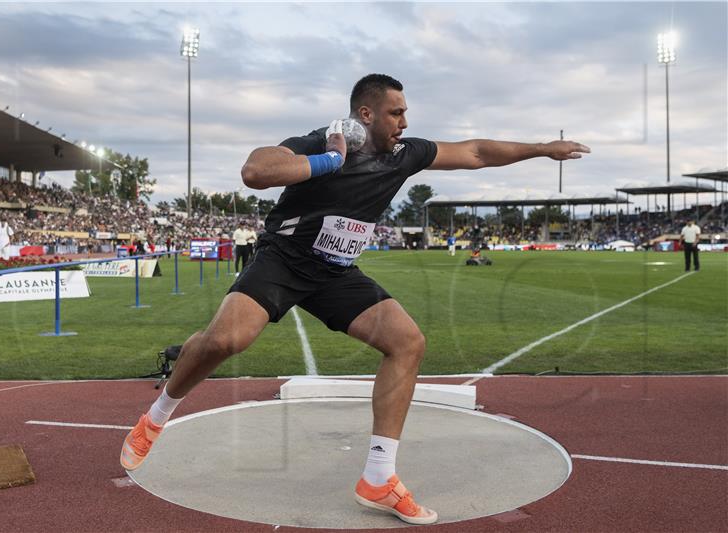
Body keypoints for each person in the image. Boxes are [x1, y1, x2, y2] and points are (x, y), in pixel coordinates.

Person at [120, 73, 590, 525]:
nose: (404, 122)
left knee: (407, 343)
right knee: (225, 341)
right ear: (365, 114)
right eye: (395, 113)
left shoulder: (405, 154)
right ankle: (156, 418)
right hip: (283, 259)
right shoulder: (323, 141)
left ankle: (379, 478)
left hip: (335, 272)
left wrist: (541, 149)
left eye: (405, 113)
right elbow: (255, 170)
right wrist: (329, 161)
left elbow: (475, 152)